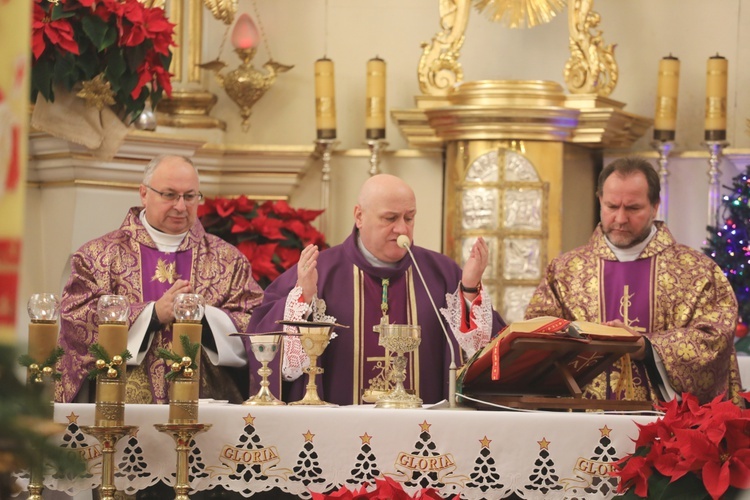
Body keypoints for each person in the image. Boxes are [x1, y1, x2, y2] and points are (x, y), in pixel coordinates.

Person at [247, 174, 505, 406]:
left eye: (409, 217)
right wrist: (304, 296)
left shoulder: (440, 273)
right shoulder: (319, 271)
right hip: (338, 435)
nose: (402, 228)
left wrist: (469, 290)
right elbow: (264, 343)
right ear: (359, 216)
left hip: (424, 441)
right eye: (390, 218)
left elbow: (483, 358)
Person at [525, 156, 742, 405]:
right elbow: (537, 335)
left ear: (655, 205)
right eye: (611, 206)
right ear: (599, 201)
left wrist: (647, 347)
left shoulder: (697, 271)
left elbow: (714, 338)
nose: (620, 218)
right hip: (581, 419)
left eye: (633, 208)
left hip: (667, 426)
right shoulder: (565, 271)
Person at [56, 155, 263, 405]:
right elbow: (76, 321)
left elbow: (256, 325)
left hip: (207, 409)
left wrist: (205, 317)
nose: (180, 206)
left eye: (190, 196)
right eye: (169, 195)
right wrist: (152, 314)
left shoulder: (229, 260)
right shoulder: (98, 256)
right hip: (120, 409)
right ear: (144, 194)